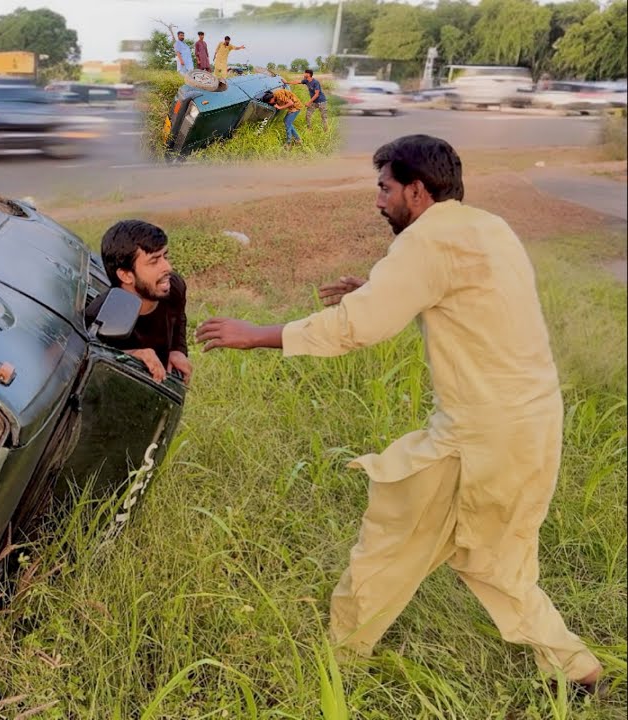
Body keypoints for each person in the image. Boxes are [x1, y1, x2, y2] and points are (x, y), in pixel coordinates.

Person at [194, 135, 606, 696]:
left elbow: (355, 328)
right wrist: (376, 290)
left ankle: (338, 665)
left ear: (416, 189)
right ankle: (577, 671)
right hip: (529, 425)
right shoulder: (490, 227)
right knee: (488, 556)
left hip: (478, 437)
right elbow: (464, 299)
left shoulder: (425, 244)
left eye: (385, 188)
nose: (379, 200)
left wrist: (256, 335)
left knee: (406, 547)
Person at [85, 220, 191, 384]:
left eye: (165, 256)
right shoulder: (100, 316)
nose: (168, 267)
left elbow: (179, 318)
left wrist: (178, 350)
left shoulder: (173, 287)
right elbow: (82, 358)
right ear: (126, 276)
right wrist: (129, 356)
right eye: (154, 261)